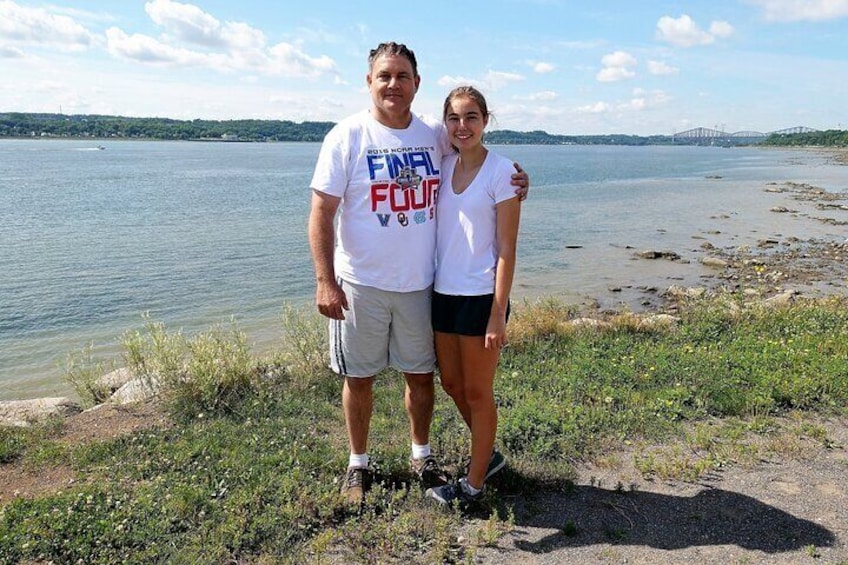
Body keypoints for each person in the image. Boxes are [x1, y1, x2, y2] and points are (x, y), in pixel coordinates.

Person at [307, 42, 528, 505]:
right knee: (360, 379)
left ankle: (422, 456)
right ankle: (358, 464)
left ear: (416, 84)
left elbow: (477, 153)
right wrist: (325, 280)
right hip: (361, 284)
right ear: (369, 81)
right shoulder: (346, 137)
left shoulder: (433, 133)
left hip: (421, 285)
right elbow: (322, 211)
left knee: (421, 378)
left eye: (402, 76)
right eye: (384, 75)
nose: (393, 84)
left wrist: (518, 179)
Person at [425, 86, 522, 508]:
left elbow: (506, 249)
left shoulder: (502, 173)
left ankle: (474, 484)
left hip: (481, 297)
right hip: (443, 293)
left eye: (471, 118)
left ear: (486, 121)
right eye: (454, 118)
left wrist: (498, 314)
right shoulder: (444, 164)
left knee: (479, 392)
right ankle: (490, 455)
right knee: (451, 383)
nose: (462, 127)